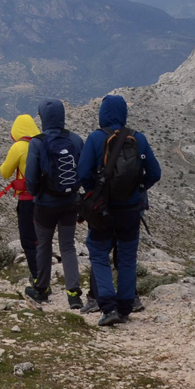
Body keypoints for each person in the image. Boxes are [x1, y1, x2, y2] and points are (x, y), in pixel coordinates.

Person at [78, 94, 162, 326]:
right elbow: (155, 172)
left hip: (103, 209)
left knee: (98, 253)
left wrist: (94, 193)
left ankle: (107, 306)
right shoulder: (139, 139)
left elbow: (83, 173)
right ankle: (125, 307)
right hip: (130, 210)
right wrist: (138, 188)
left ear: (102, 114)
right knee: (126, 257)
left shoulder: (95, 139)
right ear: (124, 113)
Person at [21, 99, 86, 308]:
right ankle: (74, 294)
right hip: (69, 202)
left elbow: (31, 177)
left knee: (44, 246)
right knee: (67, 246)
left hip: (45, 205)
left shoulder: (37, 142)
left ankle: (42, 289)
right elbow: (84, 172)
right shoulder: (75, 140)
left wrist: (35, 194)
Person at [0, 114, 41, 284]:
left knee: (29, 241)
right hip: (46, 199)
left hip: (27, 199)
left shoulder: (19, 147)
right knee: (42, 238)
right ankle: (44, 272)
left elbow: (5, 172)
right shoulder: (43, 144)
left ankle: (38, 278)